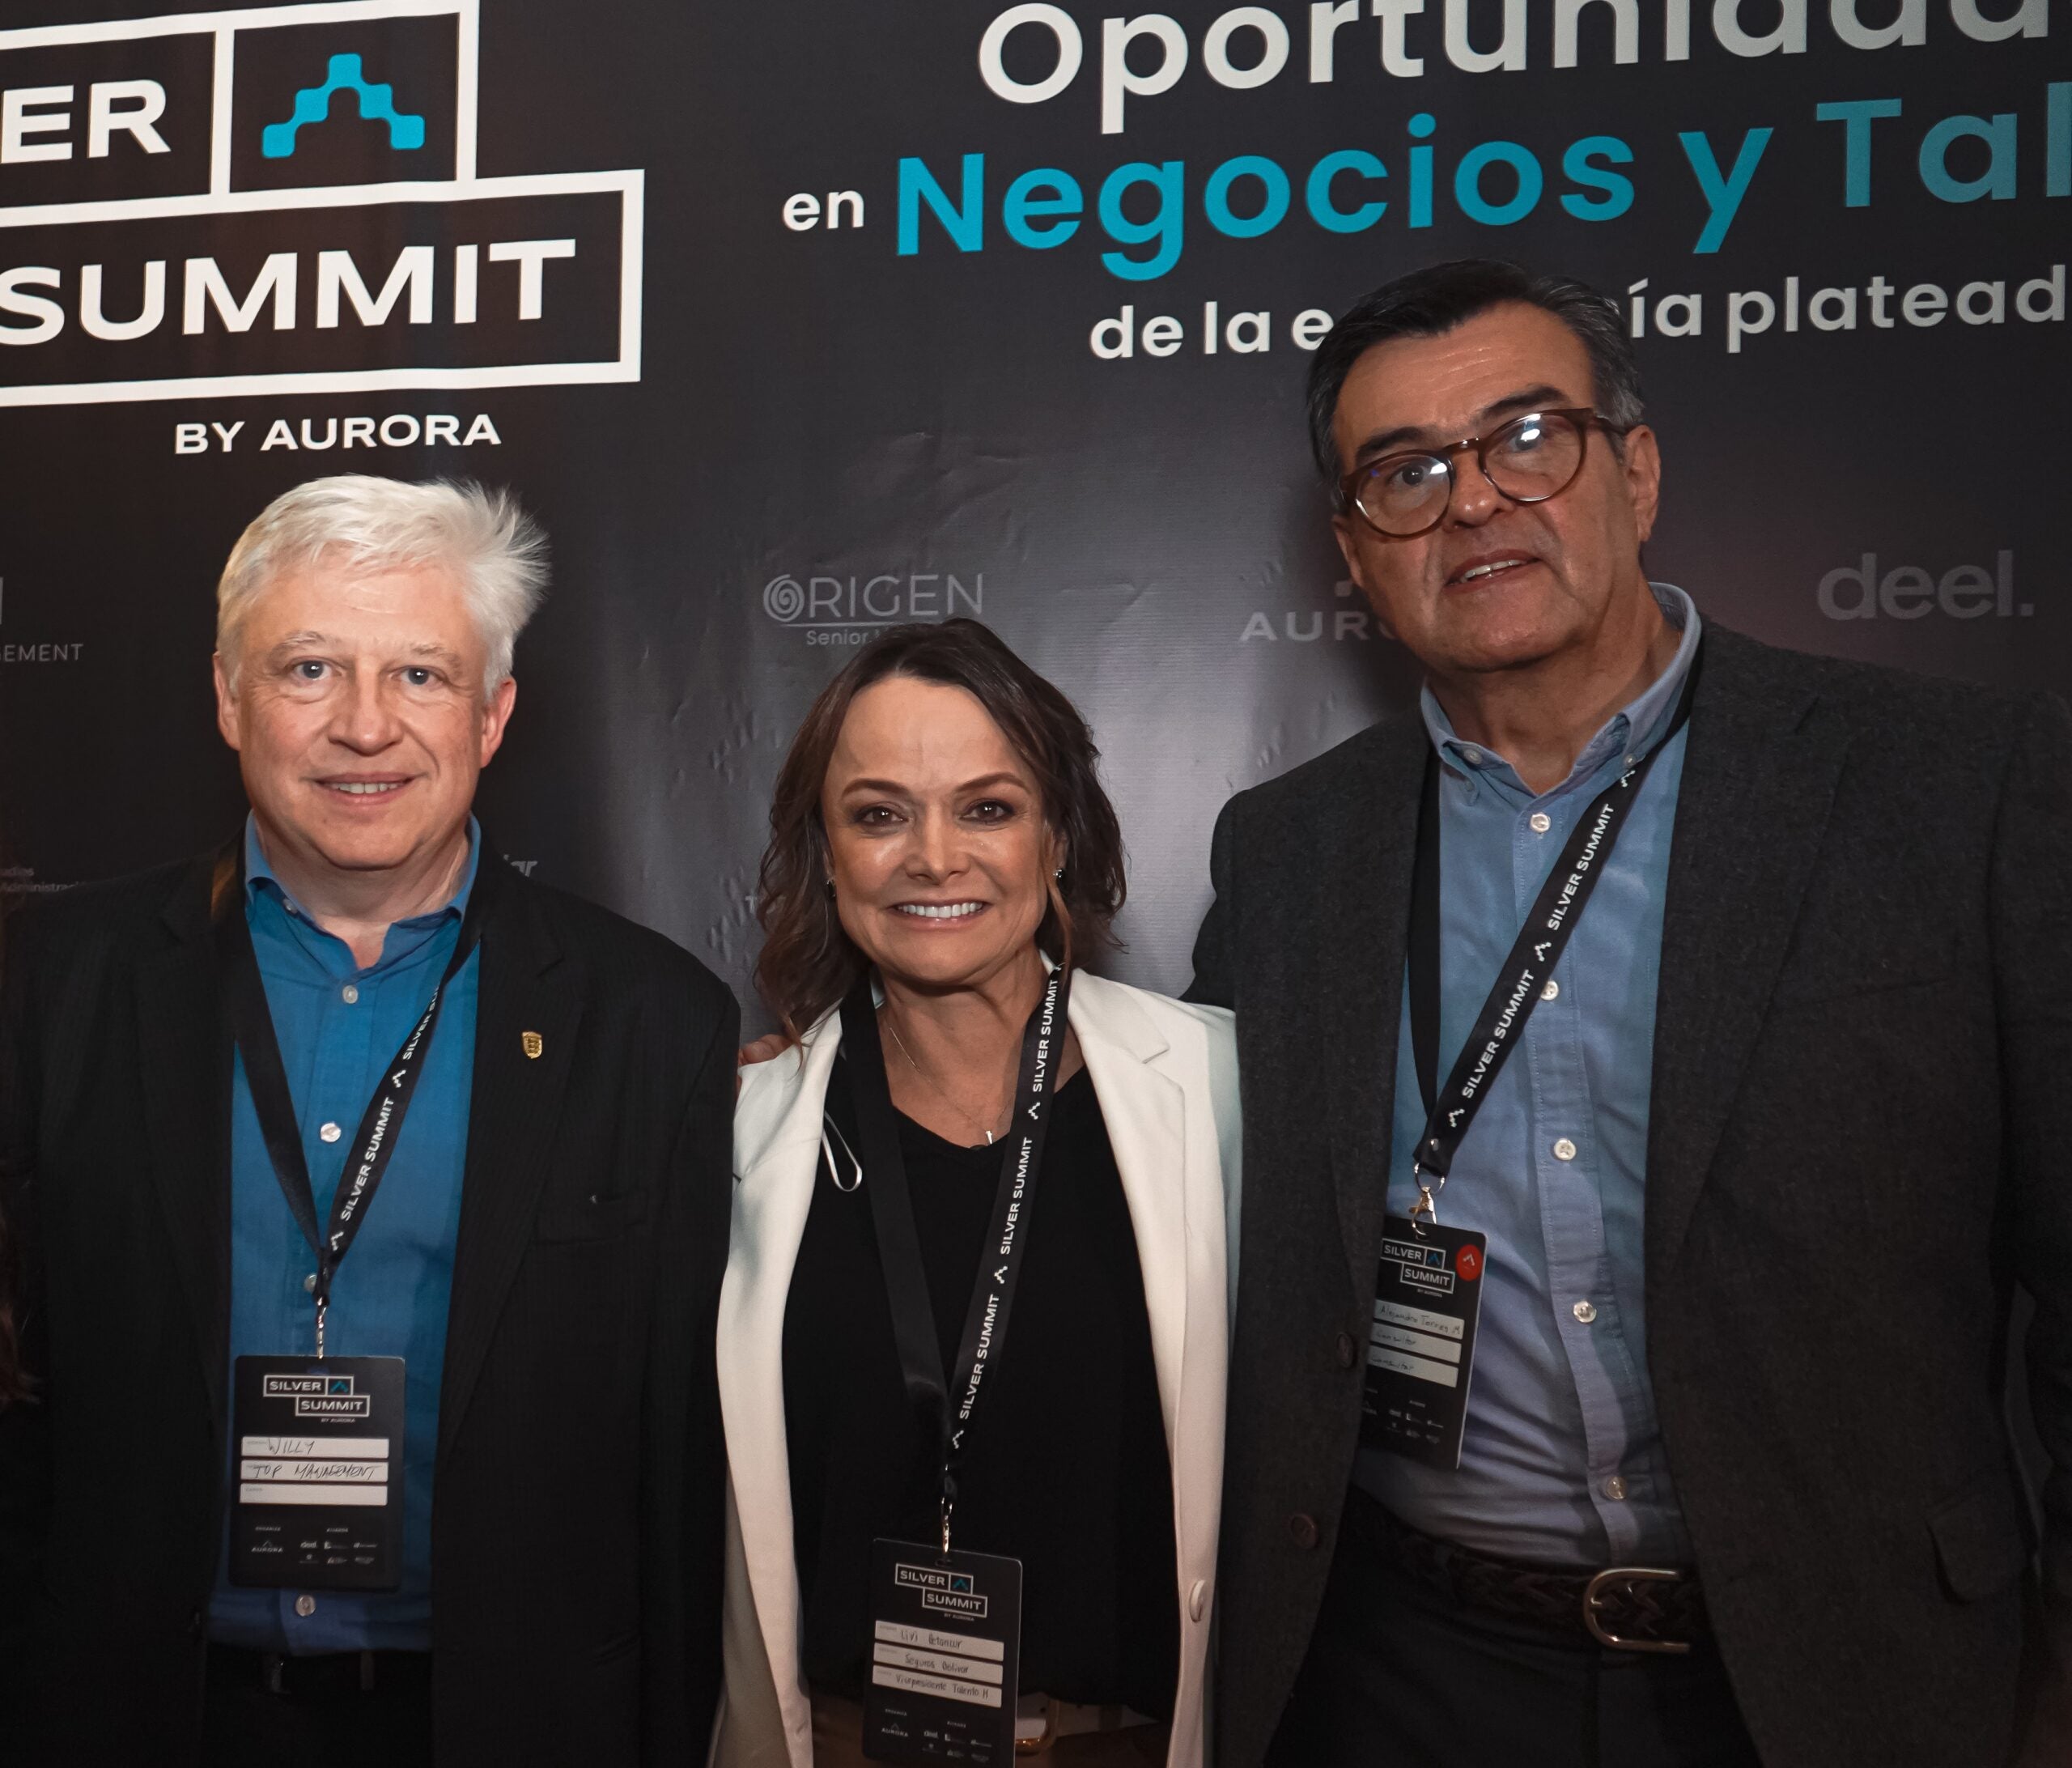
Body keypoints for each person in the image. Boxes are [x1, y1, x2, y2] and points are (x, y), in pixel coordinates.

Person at [1191, 259, 2072, 1768]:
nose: (1475, 500)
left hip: (1847, 1678)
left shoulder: (1957, 785)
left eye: (1528, 437)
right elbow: (1174, 1165)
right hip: (1406, 1675)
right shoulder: (1287, 850)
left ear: (1639, 471)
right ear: (1354, 547)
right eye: (1408, 472)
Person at [0, 474, 738, 1767]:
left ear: (493, 714)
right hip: (131, 1716)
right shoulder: (53, 985)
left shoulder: (653, 1021)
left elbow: (679, 1469)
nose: (363, 725)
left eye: (420, 675)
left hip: (504, 1729)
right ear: (228, 697)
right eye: (308, 669)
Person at [716, 619, 1238, 1768]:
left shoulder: (1218, 1091)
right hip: (842, 1743)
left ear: (1059, 838)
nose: (934, 857)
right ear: (826, 853)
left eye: (988, 808)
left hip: (1127, 1743)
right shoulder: (742, 1133)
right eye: (879, 815)